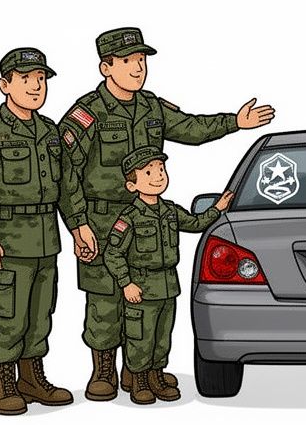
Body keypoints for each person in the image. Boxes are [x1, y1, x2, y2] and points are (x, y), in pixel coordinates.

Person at [57, 27, 274, 401]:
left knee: (153, 300)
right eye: (128, 61)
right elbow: (63, 171)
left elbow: (190, 127)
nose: (138, 68)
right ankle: (104, 369)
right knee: (105, 299)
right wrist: (78, 225)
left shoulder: (152, 107)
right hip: (102, 219)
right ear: (106, 67)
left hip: (149, 219)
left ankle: (142, 371)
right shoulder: (87, 113)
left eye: (141, 60)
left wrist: (234, 122)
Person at [0, 47, 76, 415]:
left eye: (41, 79)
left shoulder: (50, 132)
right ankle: (2, 383)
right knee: (7, 316)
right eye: (26, 79)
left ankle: (32, 378)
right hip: (5, 242)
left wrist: (79, 226)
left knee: (40, 315)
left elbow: (67, 186)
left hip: (45, 240)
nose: (36, 87)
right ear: (5, 85)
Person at [103, 147, 233, 404]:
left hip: (167, 286)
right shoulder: (129, 218)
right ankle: (139, 380)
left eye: (161, 170)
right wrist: (126, 283)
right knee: (141, 336)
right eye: (149, 172)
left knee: (162, 336)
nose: (158, 176)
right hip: (141, 287)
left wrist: (217, 208)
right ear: (131, 185)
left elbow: (195, 224)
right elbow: (112, 254)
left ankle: (156, 375)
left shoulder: (170, 211)